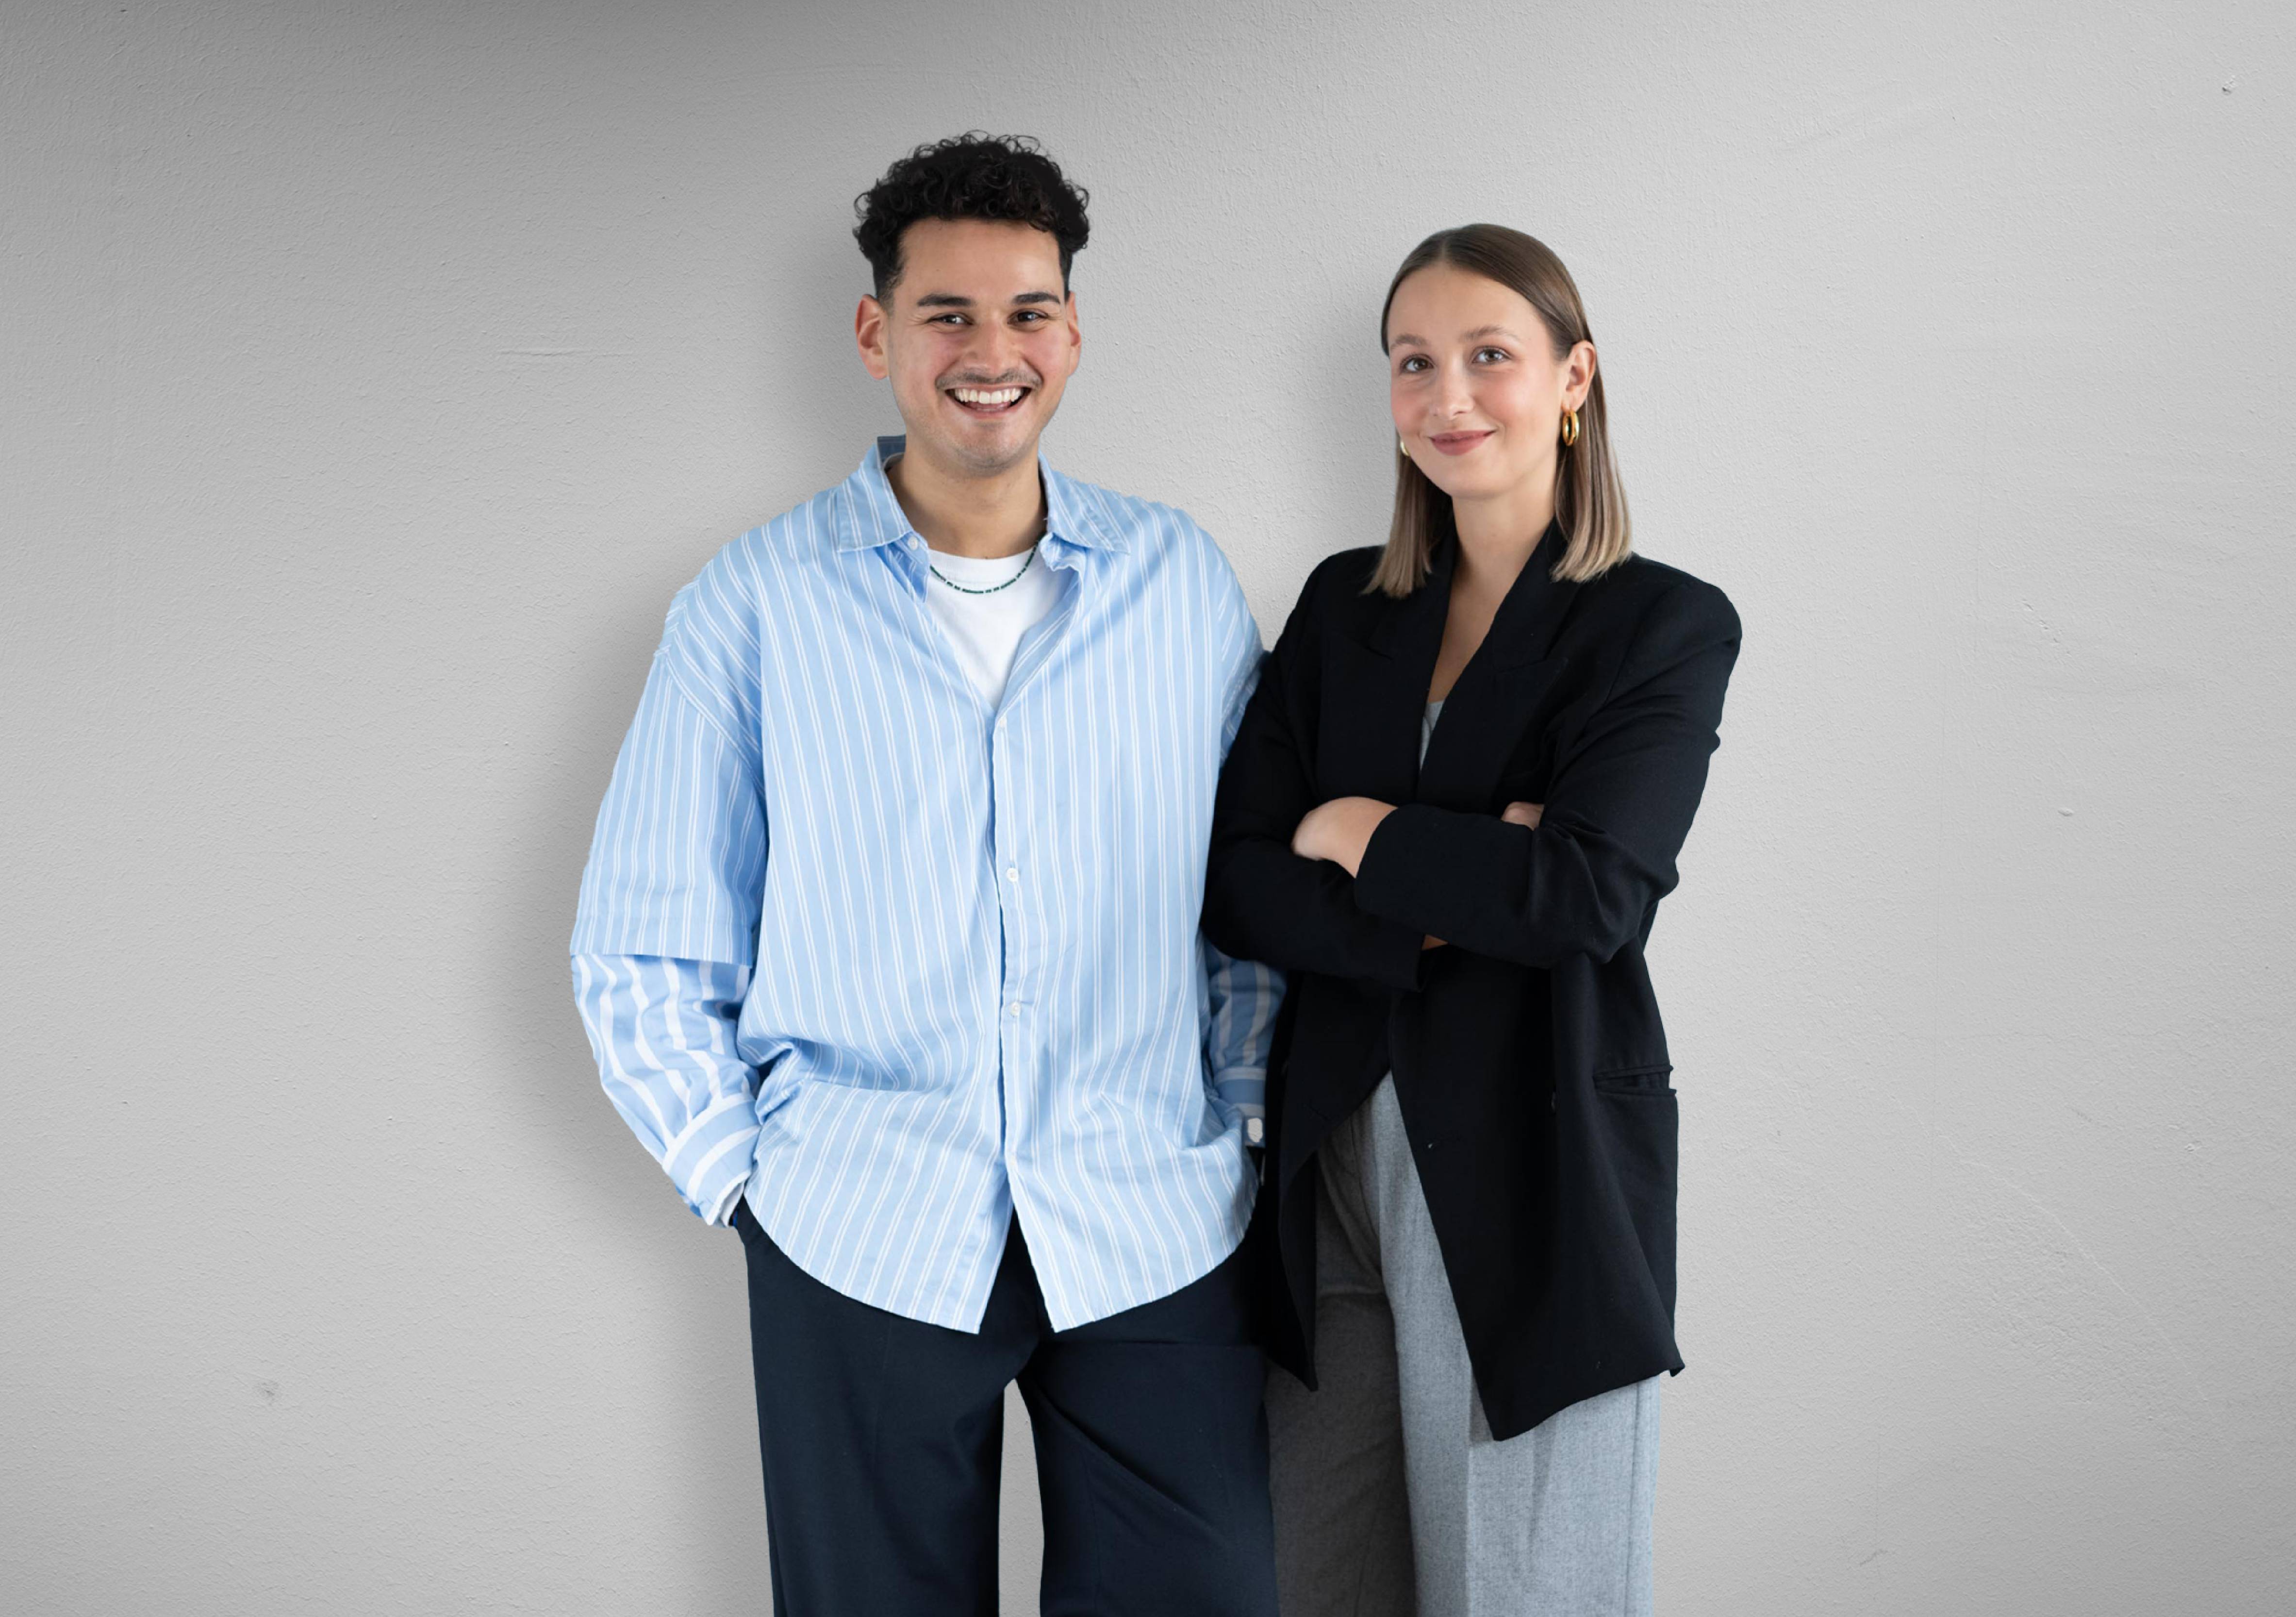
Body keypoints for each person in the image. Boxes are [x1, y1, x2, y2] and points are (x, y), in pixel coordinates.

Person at [569, 133, 1283, 1617]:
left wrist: (1244, 1108)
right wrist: (744, 1178)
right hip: (861, 1228)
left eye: (1027, 312)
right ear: (875, 332)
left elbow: (1250, 897)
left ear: (1073, 334)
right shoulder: (753, 606)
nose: (990, 352)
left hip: (1151, 1214)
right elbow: (641, 942)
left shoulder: (1182, 585)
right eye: (947, 314)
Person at [1202, 223, 1741, 1617]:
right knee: (1326, 1590)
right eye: (1413, 362)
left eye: (1489, 356)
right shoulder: (1341, 608)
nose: (1449, 396)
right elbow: (1239, 879)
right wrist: (1447, 879)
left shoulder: (1660, 627)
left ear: (1575, 379)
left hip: (1531, 1185)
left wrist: (1362, 831)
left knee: (1525, 1594)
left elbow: (1584, 897)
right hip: (1325, 1196)